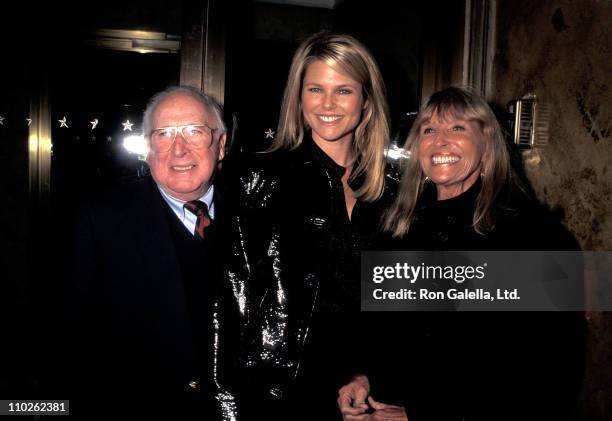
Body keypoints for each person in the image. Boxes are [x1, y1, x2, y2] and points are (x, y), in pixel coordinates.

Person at [338, 86, 586, 420]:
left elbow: (549, 370)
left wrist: (424, 413)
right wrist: (363, 378)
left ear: (486, 144)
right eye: (429, 130)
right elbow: (387, 334)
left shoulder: (533, 235)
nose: (440, 140)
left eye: (457, 128)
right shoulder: (398, 228)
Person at [224, 31, 398, 419]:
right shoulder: (259, 179)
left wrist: (366, 375)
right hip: (275, 398)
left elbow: (392, 306)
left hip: (359, 397)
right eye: (315, 88)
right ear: (299, 98)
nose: (328, 104)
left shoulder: (392, 192)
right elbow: (228, 307)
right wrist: (228, 408)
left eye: (344, 90)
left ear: (366, 100)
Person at [60, 86, 238, 419]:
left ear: (221, 145)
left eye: (195, 132)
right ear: (147, 149)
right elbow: (74, 342)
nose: (179, 149)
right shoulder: (100, 219)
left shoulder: (257, 216)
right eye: (164, 134)